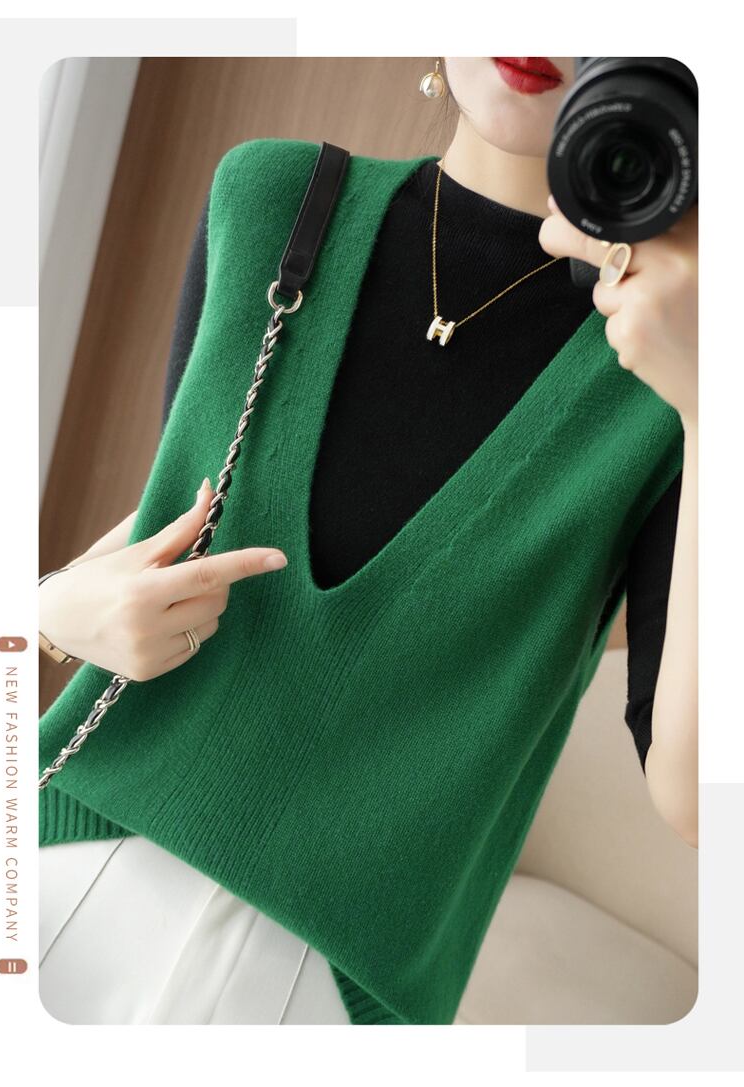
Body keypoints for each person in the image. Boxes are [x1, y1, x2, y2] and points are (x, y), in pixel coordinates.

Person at [38, 57, 698, 1026]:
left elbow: (696, 796)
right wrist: (48, 612)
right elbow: (177, 516)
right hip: (64, 858)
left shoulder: (672, 363)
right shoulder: (272, 197)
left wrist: (711, 405)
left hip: (337, 989)